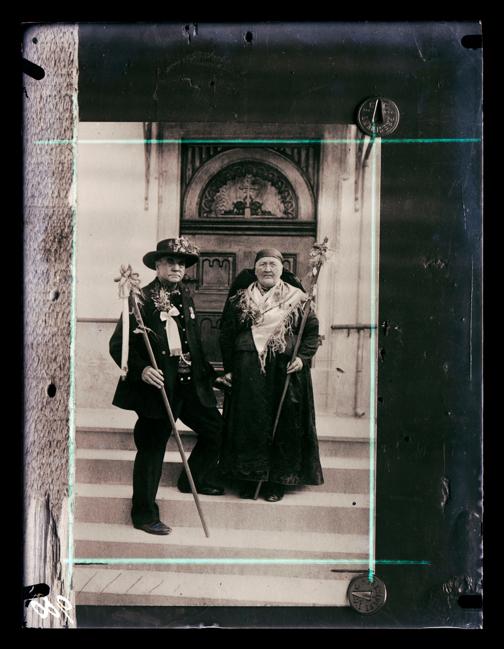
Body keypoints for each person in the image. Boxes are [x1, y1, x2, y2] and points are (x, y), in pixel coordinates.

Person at [109, 237, 224, 536]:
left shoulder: (185, 295)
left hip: (190, 388)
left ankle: (192, 479)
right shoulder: (139, 299)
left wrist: (213, 376)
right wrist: (142, 370)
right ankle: (144, 515)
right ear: (157, 266)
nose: (177, 267)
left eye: (181, 263)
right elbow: (119, 345)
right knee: (152, 448)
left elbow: (194, 344)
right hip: (159, 389)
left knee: (217, 430)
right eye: (170, 262)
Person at [218, 248, 324, 502]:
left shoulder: (299, 299)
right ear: (255, 269)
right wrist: (230, 368)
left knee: (284, 423)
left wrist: (302, 358)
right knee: (249, 422)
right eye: (263, 264)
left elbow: (311, 333)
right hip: (247, 370)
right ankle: (249, 477)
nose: (267, 269)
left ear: (281, 269)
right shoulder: (239, 299)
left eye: (272, 264)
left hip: (284, 371)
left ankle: (277, 481)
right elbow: (227, 334)